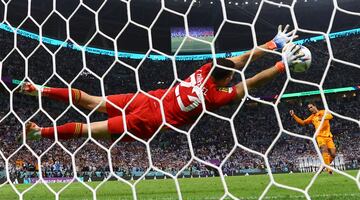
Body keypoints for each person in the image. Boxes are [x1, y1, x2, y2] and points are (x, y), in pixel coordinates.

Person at [19, 25, 301, 142]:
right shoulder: (216, 96)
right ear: (226, 80)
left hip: (146, 99)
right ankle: (39, 133)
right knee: (89, 129)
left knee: (91, 101)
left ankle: (38, 91)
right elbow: (250, 82)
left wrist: (271, 44)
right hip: (150, 119)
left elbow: (238, 62)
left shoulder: (205, 69)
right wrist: (280, 63)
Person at [289, 103, 336, 174]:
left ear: (315, 106)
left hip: (328, 136)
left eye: (311, 107)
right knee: (324, 149)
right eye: (309, 108)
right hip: (319, 136)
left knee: (333, 154)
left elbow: (330, 116)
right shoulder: (312, 117)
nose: (310, 109)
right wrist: (294, 116)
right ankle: (329, 169)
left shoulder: (323, 112)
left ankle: (323, 166)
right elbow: (303, 122)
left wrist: (322, 118)